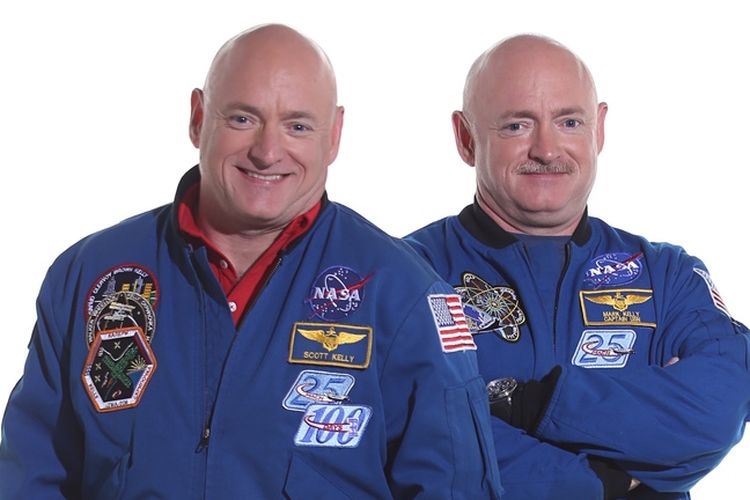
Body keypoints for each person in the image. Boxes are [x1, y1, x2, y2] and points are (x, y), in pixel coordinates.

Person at [0, 24, 501, 499]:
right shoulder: (91, 276)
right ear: (198, 117)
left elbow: (455, 488)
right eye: (242, 118)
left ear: (334, 135)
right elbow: (30, 474)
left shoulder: (404, 293)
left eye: (297, 126)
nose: (267, 151)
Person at [406, 34, 750, 499]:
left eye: (569, 122)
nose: (547, 150)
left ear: (599, 129)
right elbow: (420, 438)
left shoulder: (667, 276)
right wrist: (609, 480)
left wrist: (530, 404)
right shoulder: (405, 276)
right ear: (466, 138)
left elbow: (724, 399)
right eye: (516, 126)